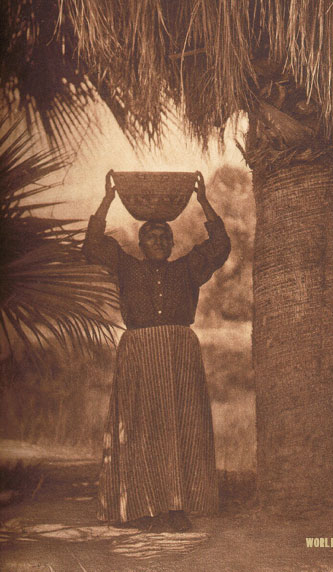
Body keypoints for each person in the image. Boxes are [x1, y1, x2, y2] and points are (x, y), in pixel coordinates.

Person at [83, 170, 231, 532]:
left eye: (165, 235)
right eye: (151, 235)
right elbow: (91, 245)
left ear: (172, 242)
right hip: (139, 352)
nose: (159, 240)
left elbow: (221, 247)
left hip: (180, 354)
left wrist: (203, 201)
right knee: (140, 426)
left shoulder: (187, 268)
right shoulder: (125, 266)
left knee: (182, 427)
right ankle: (144, 507)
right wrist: (107, 200)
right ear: (140, 242)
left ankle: (178, 507)